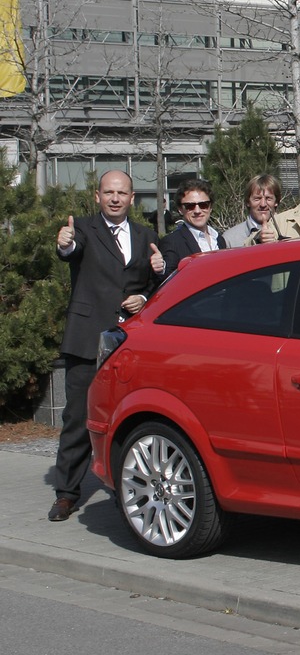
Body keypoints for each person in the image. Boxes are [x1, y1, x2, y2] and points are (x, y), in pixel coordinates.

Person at [49, 170, 166, 521]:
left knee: (126, 419)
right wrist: (64, 242)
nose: (115, 198)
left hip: (128, 345)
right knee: (77, 418)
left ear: (133, 198)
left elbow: (152, 285)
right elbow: (71, 251)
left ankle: (124, 489)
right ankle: (67, 493)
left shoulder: (146, 235)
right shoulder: (83, 228)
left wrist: (148, 287)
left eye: (122, 193)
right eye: (109, 192)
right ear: (98, 196)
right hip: (87, 340)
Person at [159, 178, 227, 275]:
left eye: (203, 205)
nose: (197, 211)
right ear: (180, 209)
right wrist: (160, 269)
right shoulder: (172, 242)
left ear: (210, 207)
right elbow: (167, 279)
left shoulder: (219, 239)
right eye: (190, 206)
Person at [223, 174, 282, 247]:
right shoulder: (230, 239)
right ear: (248, 202)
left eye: (268, 198)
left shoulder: (287, 229)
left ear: (276, 202)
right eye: (257, 199)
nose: (263, 204)